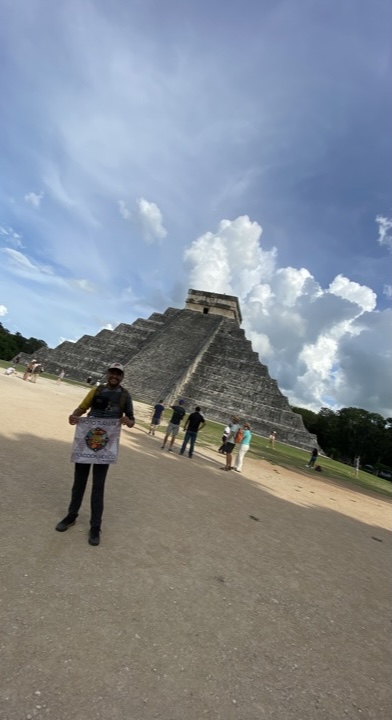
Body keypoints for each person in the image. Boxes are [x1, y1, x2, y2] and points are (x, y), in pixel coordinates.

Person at [55, 362, 135, 546]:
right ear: (108, 373)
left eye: (119, 374)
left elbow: (132, 420)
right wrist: (73, 416)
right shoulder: (96, 391)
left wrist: (127, 420)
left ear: (122, 377)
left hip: (105, 448)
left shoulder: (125, 396)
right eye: (113, 373)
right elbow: (82, 407)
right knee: (79, 482)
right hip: (87, 442)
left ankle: (95, 526)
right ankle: (71, 515)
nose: (115, 376)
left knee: (98, 486)